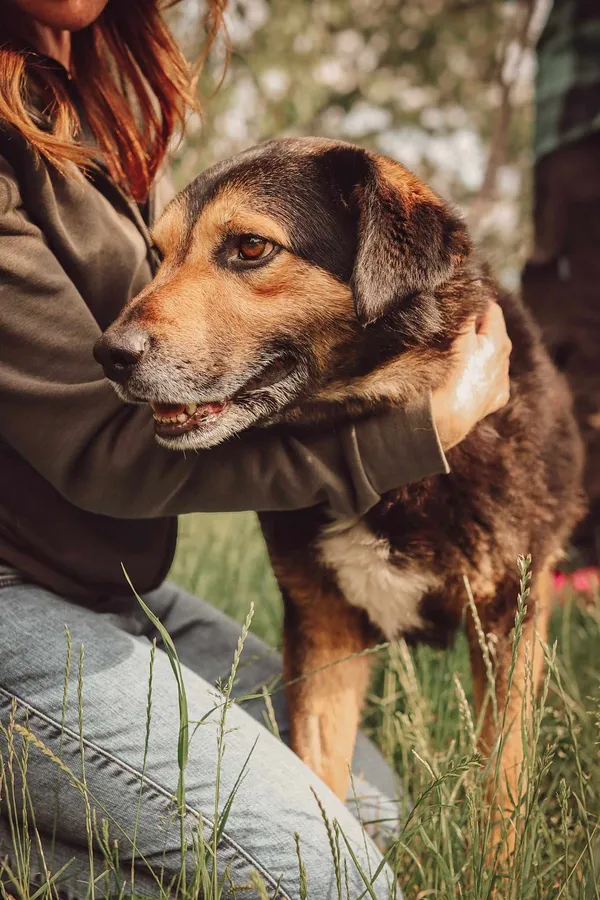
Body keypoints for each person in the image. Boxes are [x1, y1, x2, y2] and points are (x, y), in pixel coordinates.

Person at [0, 2, 512, 898]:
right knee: (328, 875)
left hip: (107, 592)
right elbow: (96, 443)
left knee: (377, 817)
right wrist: (422, 426)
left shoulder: (97, 106)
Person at [523, 0, 600, 578]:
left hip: (580, 139)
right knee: (568, 344)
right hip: (575, 138)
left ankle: (579, 553)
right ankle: (572, 553)